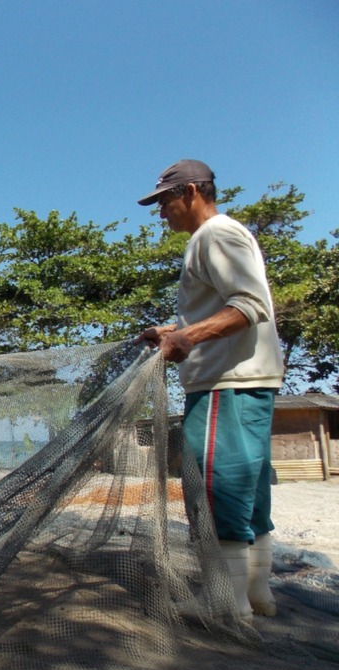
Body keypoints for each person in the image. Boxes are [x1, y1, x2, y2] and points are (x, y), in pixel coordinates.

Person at [136, 159, 285, 623]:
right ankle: (257, 593)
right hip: (245, 382)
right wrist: (173, 329)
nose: (161, 213)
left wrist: (188, 339)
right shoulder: (222, 236)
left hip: (225, 383)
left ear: (194, 191)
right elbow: (228, 305)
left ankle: (227, 603)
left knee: (216, 489)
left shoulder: (214, 235)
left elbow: (250, 306)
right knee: (249, 489)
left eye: (165, 201)